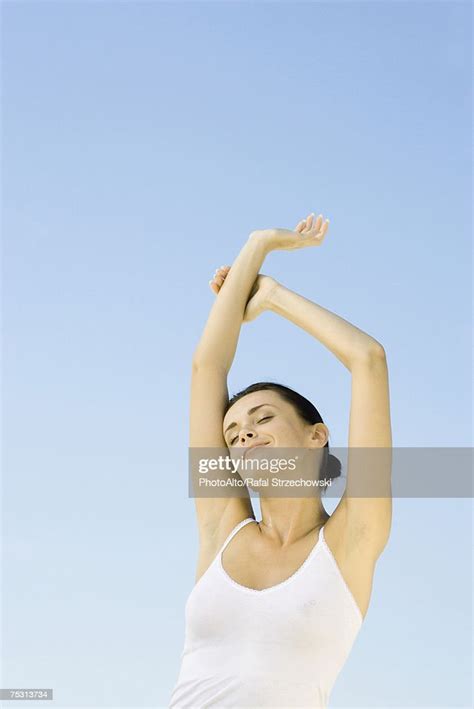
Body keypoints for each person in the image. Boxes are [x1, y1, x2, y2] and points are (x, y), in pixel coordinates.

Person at [168, 213, 392, 708]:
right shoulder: (221, 525)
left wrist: (270, 296)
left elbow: (368, 359)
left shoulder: (352, 538)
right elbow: (208, 367)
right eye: (232, 432)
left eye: (263, 418)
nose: (243, 431)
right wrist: (257, 245)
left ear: (317, 437)